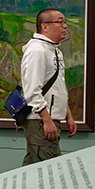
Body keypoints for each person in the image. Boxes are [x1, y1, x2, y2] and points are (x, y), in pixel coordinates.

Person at [19, 9, 77, 165]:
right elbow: (32, 92)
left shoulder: (53, 50)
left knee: (35, 165)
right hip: (40, 120)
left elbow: (57, 87)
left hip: (49, 118)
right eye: (60, 22)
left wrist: (68, 116)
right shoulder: (37, 51)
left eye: (64, 22)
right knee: (48, 167)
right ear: (45, 26)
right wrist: (47, 121)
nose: (65, 26)